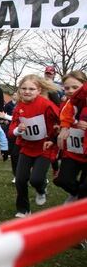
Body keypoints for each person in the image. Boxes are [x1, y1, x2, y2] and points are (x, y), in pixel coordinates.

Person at [8, 74, 59, 218]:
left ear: (39, 90)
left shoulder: (46, 104)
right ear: (19, 90)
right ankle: (23, 209)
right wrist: (18, 130)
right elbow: (12, 130)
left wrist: (54, 135)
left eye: (31, 89)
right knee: (20, 180)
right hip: (26, 147)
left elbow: (60, 120)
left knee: (36, 179)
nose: (27, 91)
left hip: (44, 148)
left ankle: (41, 189)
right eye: (23, 88)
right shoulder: (18, 107)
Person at [56, 71, 87, 203]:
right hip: (72, 152)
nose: (70, 91)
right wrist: (61, 128)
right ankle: (75, 194)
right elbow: (64, 119)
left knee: (85, 188)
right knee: (62, 180)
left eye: (75, 87)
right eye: (67, 87)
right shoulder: (65, 105)